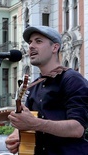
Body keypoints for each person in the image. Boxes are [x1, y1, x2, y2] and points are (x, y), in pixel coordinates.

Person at [5, 25, 88, 155]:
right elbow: (28, 121)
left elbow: (78, 129)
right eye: (30, 42)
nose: (31, 46)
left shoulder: (72, 79)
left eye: (38, 41)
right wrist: (16, 135)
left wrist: (35, 123)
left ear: (55, 47)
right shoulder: (33, 86)